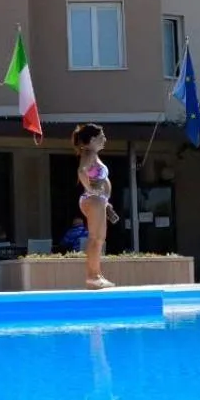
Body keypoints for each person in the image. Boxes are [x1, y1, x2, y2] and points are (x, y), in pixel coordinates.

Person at [72, 122, 118, 289]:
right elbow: (82, 171)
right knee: (95, 238)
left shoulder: (92, 154)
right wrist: (91, 189)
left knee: (99, 239)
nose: (104, 139)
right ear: (92, 139)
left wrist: (105, 201)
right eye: (101, 137)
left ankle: (96, 275)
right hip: (93, 199)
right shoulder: (89, 153)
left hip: (98, 201)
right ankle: (92, 276)